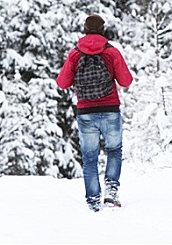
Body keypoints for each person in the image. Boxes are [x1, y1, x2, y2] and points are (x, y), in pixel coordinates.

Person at [56, 14, 133, 212]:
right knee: (114, 150)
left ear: (84, 30)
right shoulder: (111, 52)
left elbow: (62, 82)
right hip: (110, 110)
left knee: (89, 157)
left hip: (86, 112)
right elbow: (126, 81)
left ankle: (93, 201)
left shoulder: (75, 54)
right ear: (103, 30)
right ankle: (111, 193)